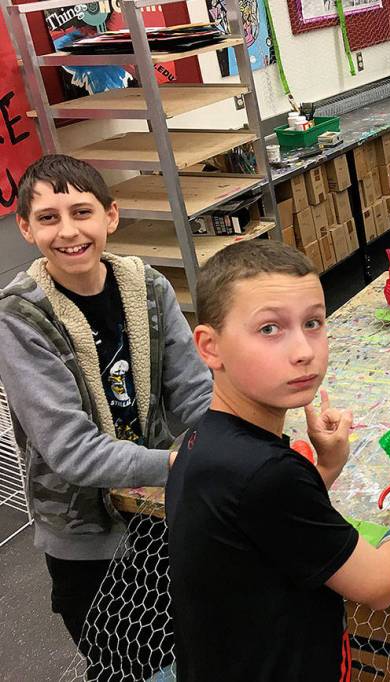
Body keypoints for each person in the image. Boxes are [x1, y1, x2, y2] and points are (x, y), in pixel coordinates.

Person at [166, 239, 390, 681]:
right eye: (269, 329)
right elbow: (377, 585)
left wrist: (328, 467)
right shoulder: (266, 473)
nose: (303, 350)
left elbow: (268, 528)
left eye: (313, 323)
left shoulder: (205, 439)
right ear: (210, 347)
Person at [0, 155, 211, 652]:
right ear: (26, 228)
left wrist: (232, 442)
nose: (68, 231)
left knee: (191, 644)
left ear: (110, 216)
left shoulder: (147, 286)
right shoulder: (20, 317)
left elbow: (193, 391)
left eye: (82, 212)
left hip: (159, 512)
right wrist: (183, 463)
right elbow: (72, 450)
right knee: (124, 661)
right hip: (87, 539)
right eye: (49, 218)